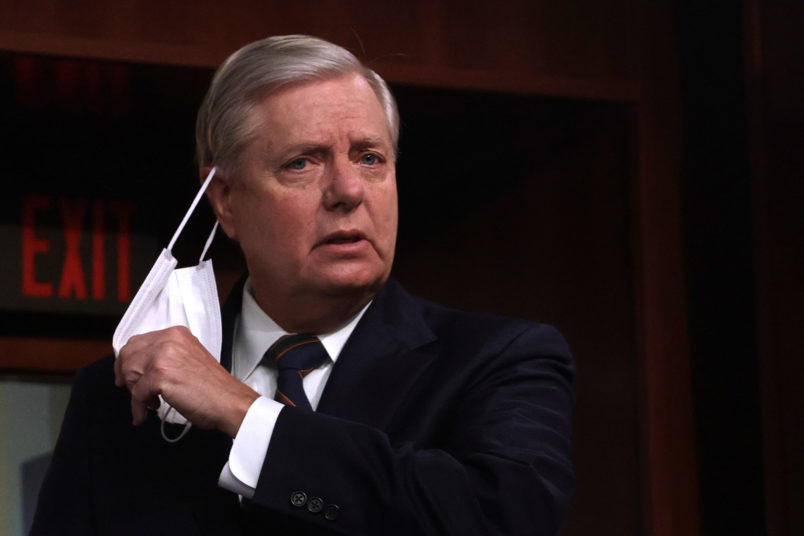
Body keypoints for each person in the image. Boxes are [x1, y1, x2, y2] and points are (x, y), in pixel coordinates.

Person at [32, 35, 574, 535]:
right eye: (301, 163)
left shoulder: (502, 359)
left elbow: (503, 520)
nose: (348, 190)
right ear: (226, 201)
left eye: (370, 157)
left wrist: (244, 413)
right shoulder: (119, 396)